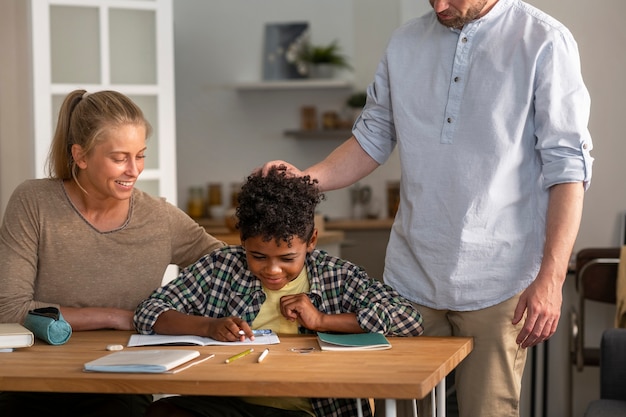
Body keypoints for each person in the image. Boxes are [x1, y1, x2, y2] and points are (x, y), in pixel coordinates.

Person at [260, 0, 594, 416]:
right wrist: (304, 180)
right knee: (397, 411)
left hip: (501, 279)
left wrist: (552, 275)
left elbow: (568, 169)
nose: (439, 5)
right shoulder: (404, 43)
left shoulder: (544, 40)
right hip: (412, 278)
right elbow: (373, 136)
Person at [0, 89, 225, 416]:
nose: (134, 170)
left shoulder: (159, 218)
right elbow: (10, 309)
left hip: (121, 380)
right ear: (81, 156)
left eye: (141, 155)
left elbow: (228, 269)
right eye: (120, 158)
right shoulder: (33, 202)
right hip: (33, 380)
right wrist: (117, 316)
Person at [134, 165, 424, 417]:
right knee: (163, 411)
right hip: (229, 403)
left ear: (311, 241)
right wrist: (209, 326)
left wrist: (322, 321)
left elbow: (408, 318)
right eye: (258, 256)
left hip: (305, 411)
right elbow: (149, 312)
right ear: (242, 240)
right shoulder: (221, 267)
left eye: (287, 259)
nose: (272, 270)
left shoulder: (337, 276)